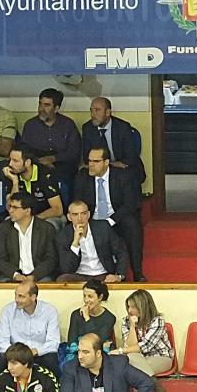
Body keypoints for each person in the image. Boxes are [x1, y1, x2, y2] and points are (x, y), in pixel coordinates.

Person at [75, 146, 145, 281]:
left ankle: (138, 273)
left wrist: (111, 221)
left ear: (106, 162)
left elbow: (130, 203)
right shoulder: (82, 177)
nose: (91, 165)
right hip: (92, 220)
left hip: (116, 219)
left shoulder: (123, 175)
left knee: (132, 225)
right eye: (89, 161)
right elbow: (78, 202)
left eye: (96, 161)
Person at [0, 280, 61, 378]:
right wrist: (17, 354)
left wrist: (36, 351)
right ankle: (3, 390)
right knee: (0, 361)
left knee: (51, 359)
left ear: (33, 297)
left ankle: (52, 391)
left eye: (21, 296)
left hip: (39, 353)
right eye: (16, 295)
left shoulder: (50, 311)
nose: (16, 299)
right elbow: (1, 342)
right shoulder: (7, 311)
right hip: (15, 354)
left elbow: (53, 342)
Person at [56, 200, 129, 282]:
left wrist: (119, 275)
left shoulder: (103, 227)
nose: (80, 218)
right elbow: (66, 269)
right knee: (62, 280)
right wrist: (75, 243)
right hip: (79, 275)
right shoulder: (62, 236)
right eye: (75, 214)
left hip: (104, 275)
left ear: (89, 214)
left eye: (83, 213)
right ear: (69, 217)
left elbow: (121, 252)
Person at [20, 88, 81, 185]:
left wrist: (53, 158)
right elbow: (24, 150)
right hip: (36, 167)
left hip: (63, 168)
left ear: (56, 108)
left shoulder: (68, 125)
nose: (41, 109)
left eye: (46, 105)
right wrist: (40, 161)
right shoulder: (30, 125)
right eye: (40, 104)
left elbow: (74, 152)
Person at [82, 97, 146, 186]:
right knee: (82, 175)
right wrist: (109, 165)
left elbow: (129, 157)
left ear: (108, 112)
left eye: (97, 110)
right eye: (91, 110)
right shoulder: (87, 128)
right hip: (102, 166)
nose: (93, 114)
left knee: (128, 175)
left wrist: (108, 165)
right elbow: (86, 157)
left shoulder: (123, 127)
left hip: (122, 167)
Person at [0, 192, 57, 282]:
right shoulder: (5, 227)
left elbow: (51, 260)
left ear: (28, 211)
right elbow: (0, 259)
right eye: (10, 207)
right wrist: (15, 275)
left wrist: (34, 276)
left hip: (39, 276)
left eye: (15, 207)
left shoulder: (46, 228)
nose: (10, 211)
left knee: (46, 283)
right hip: (12, 275)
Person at [115, 289, 174, 385]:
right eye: (128, 307)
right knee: (133, 362)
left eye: (133, 307)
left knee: (133, 369)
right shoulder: (126, 322)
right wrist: (132, 326)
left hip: (161, 358)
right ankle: (155, 387)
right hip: (138, 358)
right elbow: (130, 347)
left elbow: (144, 347)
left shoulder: (157, 321)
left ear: (143, 307)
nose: (129, 310)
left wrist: (120, 351)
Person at [2, 146, 64, 226]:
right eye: (10, 160)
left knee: (50, 224)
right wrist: (15, 182)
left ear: (27, 162)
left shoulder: (45, 174)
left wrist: (32, 220)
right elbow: (10, 208)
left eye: (15, 161)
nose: (10, 164)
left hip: (46, 216)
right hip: (23, 216)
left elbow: (58, 210)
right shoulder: (11, 174)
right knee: (7, 223)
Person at [65, 280, 116, 364]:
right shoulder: (76, 315)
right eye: (84, 296)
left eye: (90, 296)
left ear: (100, 297)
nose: (86, 300)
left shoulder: (109, 318)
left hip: (98, 354)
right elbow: (71, 341)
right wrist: (82, 352)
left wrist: (87, 318)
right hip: (77, 353)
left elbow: (97, 342)